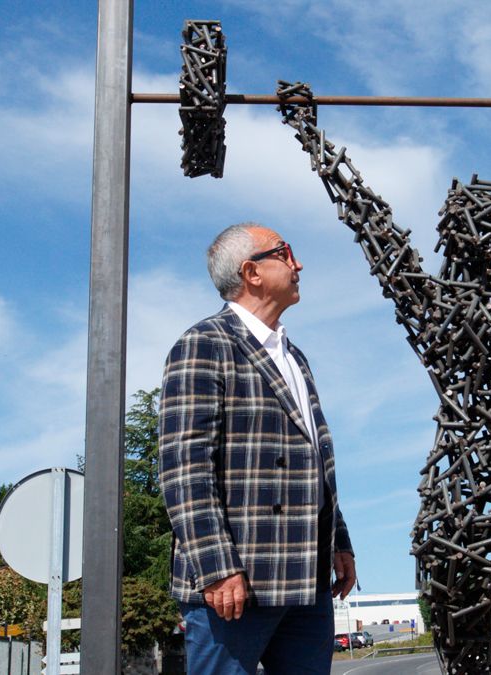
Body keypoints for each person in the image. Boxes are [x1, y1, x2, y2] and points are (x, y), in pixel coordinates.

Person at [159, 223, 356, 674]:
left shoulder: (295, 357)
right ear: (252, 272)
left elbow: (315, 461)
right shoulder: (203, 345)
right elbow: (184, 468)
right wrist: (216, 567)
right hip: (236, 585)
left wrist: (338, 542)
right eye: (285, 253)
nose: (298, 263)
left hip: (307, 584)